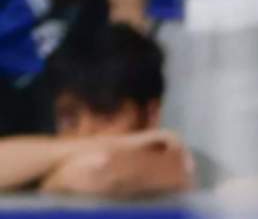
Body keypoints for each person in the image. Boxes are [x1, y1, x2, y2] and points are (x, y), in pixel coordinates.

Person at [0, 23, 193, 197]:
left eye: (106, 116)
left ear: (151, 114)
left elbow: (91, 172)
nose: (85, 132)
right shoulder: (54, 161)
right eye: (69, 118)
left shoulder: (175, 160)